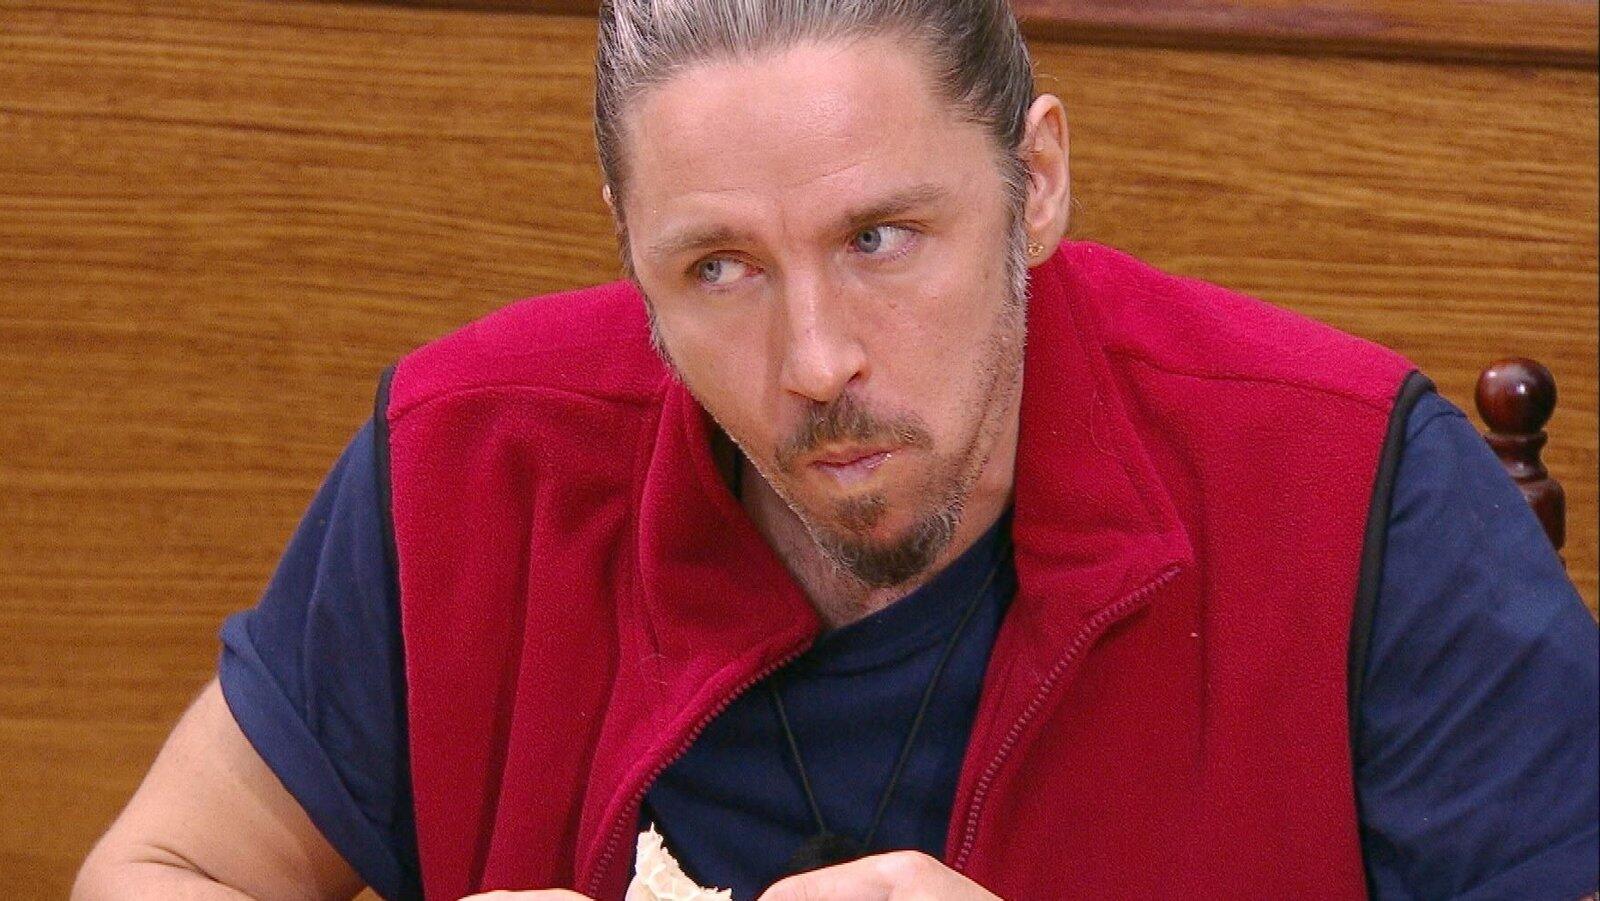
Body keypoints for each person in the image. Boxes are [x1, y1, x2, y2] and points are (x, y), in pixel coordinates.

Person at [75, 0, 1598, 899]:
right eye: (719, 267)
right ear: (627, 247)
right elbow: (162, 869)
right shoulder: (472, 459)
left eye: (881, 238)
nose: (815, 363)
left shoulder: (1356, 491)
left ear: (1036, 183)